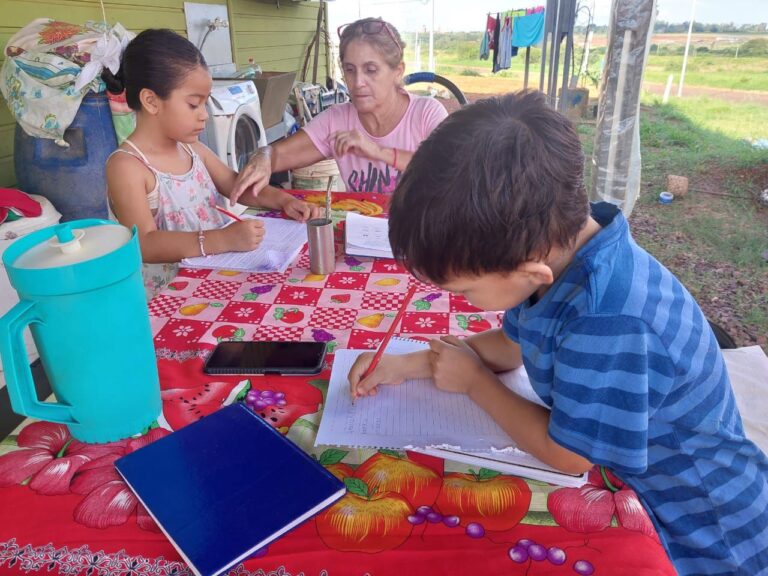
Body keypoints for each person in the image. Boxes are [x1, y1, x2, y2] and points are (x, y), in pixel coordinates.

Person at [348, 91, 768, 576]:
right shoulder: (561, 248)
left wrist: (474, 383)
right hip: (653, 490)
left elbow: (568, 456)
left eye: (463, 290)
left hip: (705, 527)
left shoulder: (608, 322)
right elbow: (513, 343)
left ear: (531, 274)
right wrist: (411, 362)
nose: (460, 302)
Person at [104, 29, 317, 298]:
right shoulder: (127, 167)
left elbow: (235, 184)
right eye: (194, 105)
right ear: (151, 101)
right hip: (169, 298)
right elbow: (144, 243)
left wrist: (283, 200)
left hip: (214, 281)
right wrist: (223, 239)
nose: (204, 115)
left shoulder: (192, 149)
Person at [230, 17, 448, 200]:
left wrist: (377, 151)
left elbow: (446, 170)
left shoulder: (426, 114)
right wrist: (264, 156)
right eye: (350, 70)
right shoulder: (337, 120)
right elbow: (277, 154)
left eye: (371, 70)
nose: (358, 81)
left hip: (422, 237)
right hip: (365, 235)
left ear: (397, 71)